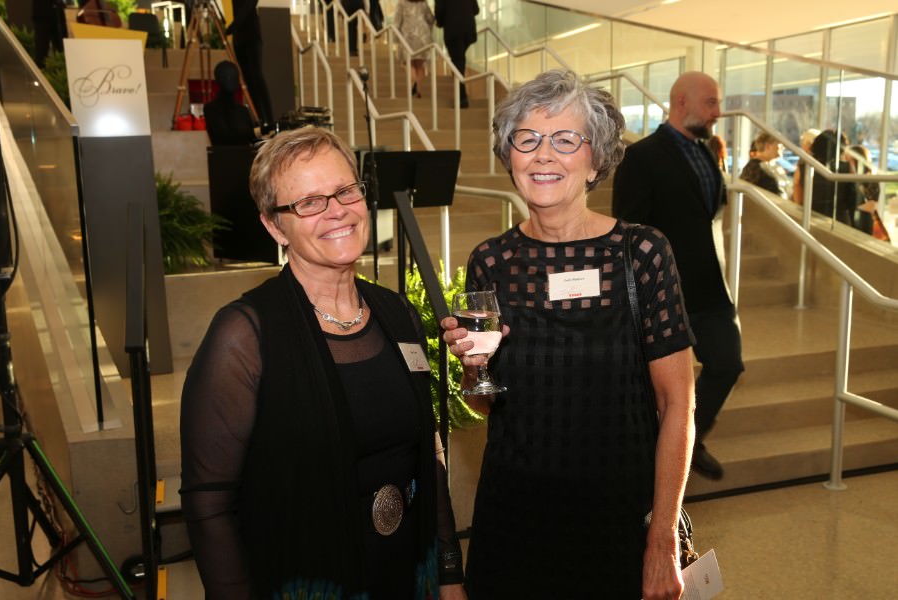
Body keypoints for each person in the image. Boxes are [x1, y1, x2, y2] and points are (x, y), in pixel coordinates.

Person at [180, 127, 467, 600]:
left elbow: (427, 458)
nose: (337, 211)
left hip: (410, 574)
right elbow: (208, 502)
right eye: (309, 202)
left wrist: (450, 571)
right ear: (276, 227)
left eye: (345, 191)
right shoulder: (243, 337)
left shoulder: (397, 313)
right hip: (308, 583)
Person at [442, 69, 696, 600]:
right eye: (527, 139)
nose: (543, 155)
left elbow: (677, 404)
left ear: (595, 160)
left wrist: (662, 540)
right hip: (514, 520)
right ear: (509, 155)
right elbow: (485, 404)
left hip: (616, 520)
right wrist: (471, 368)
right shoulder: (491, 261)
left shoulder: (641, 254)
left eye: (564, 139)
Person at [613, 71, 743, 482]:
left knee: (727, 363)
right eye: (711, 102)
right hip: (666, 291)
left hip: (710, 287)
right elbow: (628, 231)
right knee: (662, 384)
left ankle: (689, 437)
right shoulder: (641, 156)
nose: (717, 112)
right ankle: (664, 448)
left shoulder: (706, 152)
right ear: (681, 102)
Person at [226, 0, 275, 130]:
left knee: (256, 77)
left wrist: (233, 26)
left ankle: (269, 119)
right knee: (248, 81)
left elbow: (249, 5)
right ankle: (258, 118)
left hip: (251, 34)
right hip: (239, 36)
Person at [809, 129, 861, 227]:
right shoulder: (847, 168)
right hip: (839, 222)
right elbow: (854, 198)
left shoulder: (806, 167)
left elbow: (799, 199)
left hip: (810, 220)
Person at [435, 0, 479, 108]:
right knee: (459, 61)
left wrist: (441, 21)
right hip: (468, 30)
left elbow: (439, 13)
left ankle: (462, 98)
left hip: (453, 31)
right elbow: (476, 9)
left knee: (458, 62)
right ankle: (461, 95)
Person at [203, 60, 256, 146]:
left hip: (244, 153)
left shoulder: (243, 110)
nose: (230, 79)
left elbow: (251, 137)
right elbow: (224, 138)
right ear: (218, 79)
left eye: (233, 76)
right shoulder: (211, 109)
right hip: (225, 153)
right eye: (226, 76)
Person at [847, 144, 890, 241]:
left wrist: (854, 208)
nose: (845, 163)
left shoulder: (871, 181)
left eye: (848, 160)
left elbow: (871, 206)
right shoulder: (847, 180)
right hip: (853, 224)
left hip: (865, 225)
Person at [394, 0, 434, 99]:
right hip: (422, 36)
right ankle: (418, 90)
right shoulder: (423, 2)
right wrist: (428, 30)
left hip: (408, 36)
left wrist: (395, 39)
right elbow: (430, 19)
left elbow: (397, 22)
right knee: (420, 64)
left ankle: (414, 81)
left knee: (408, 63)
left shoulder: (401, 3)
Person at [739, 132, 791, 199]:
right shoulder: (755, 169)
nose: (783, 148)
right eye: (779, 144)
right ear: (768, 146)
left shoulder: (774, 167)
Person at [33, 0, 67, 68]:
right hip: (42, 13)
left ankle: (61, 69)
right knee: (41, 48)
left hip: (58, 13)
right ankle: (40, 70)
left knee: (61, 48)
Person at [792, 127, 820, 204]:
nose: (803, 146)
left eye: (805, 143)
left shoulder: (804, 162)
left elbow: (796, 184)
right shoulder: (803, 160)